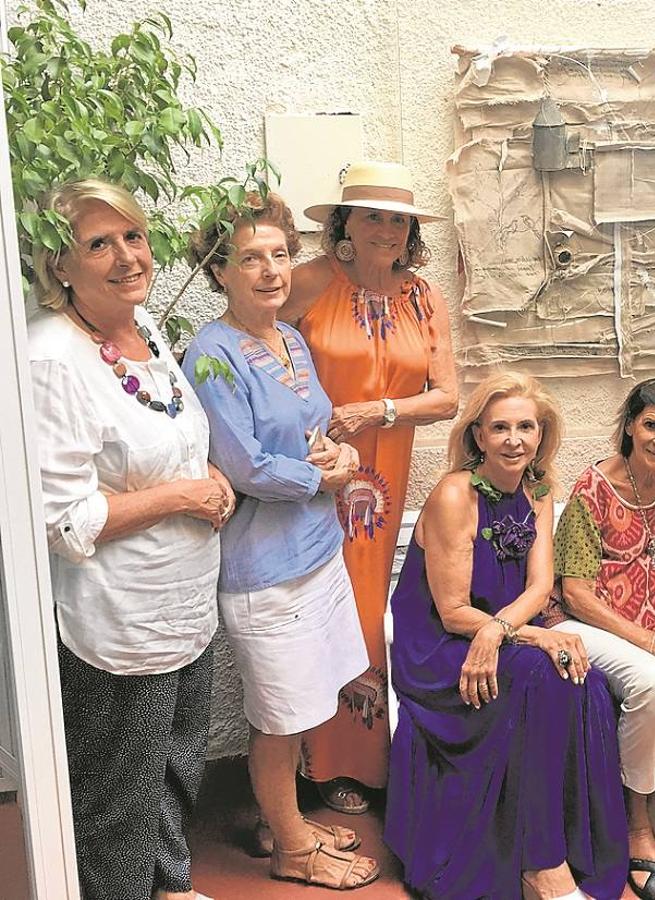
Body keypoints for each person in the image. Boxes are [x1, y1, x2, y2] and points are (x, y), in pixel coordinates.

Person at [27, 179, 230, 900]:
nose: (125, 256)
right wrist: (182, 495)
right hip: (116, 622)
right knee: (118, 798)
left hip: (181, 605)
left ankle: (171, 888)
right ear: (60, 266)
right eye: (98, 244)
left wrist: (200, 470)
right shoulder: (54, 356)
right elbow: (63, 520)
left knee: (176, 766)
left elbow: (157, 442)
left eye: (133, 236)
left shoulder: (142, 333)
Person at [182, 192, 379, 889]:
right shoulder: (209, 355)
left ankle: (284, 819)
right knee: (278, 715)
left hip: (316, 551)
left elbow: (314, 429)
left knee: (306, 701)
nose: (269, 271)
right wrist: (322, 479)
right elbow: (245, 465)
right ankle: (292, 850)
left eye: (278, 255)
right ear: (219, 273)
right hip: (265, 567)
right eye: (249, 259)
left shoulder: (289, 337)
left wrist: (345, 458)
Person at [384, 372, 628, 900]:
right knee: (544, 674)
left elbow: (540, 587)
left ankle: (574, 850)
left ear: (541, 434)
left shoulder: (539, 491)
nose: (514, 440)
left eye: (525, 427)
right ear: (478, 436)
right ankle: (540, 868)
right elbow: (450, 612)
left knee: (585, 682)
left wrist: (509, 633)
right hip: (438, 649)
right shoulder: (455, 494)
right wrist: (524, 637)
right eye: (499, 428)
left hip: (504, 632)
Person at [284, 160, 459, 814]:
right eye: (372, 215)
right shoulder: (306, 283)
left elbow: (445, 397)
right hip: (310, 478)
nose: (386, 228)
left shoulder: (422, 297)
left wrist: (378, 411)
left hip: (381, 483)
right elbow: (251, 353)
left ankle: (357, 764)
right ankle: (307, 764)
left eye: (397, 218)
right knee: (309, 611)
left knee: (362, 613)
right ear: (344, 224)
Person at [544, 377, 655, 900]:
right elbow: (573, 592)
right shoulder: (591, 488)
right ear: (628, 426)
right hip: (589, 625)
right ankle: (635, 822)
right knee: (653, 684)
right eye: (650, 426)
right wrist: (648, 641)